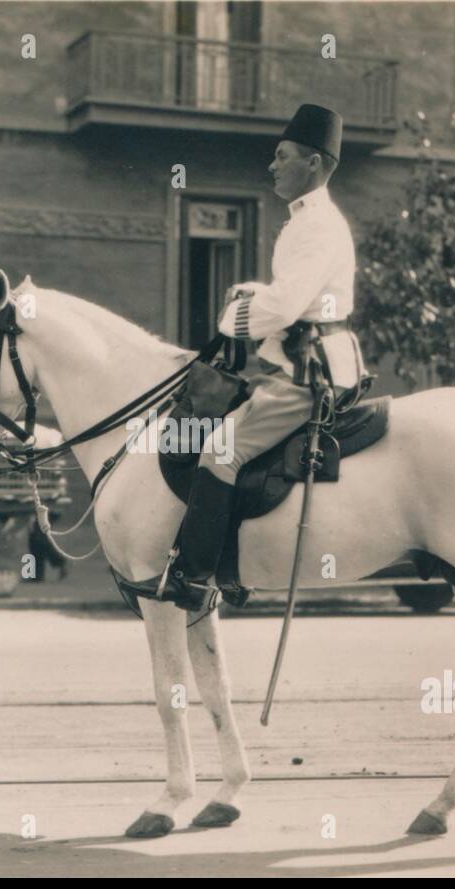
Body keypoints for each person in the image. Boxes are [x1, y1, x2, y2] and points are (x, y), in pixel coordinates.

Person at [159, 103, 366, 608]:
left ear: (313, 163)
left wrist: (233, 317)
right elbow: (298, 293)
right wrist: (254, 292)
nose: (272, 166)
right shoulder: (307, 220)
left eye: (282, 156)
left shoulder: (317, 224)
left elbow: (289, 304)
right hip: (297, 361)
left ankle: (196, 576)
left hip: (309, 373)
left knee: (221, 451)